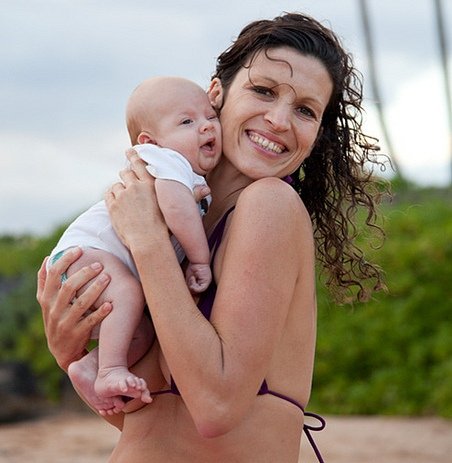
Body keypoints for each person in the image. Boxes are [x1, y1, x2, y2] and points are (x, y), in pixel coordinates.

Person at [37, 12, 387, 463]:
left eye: (305, 110)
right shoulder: (181, 231)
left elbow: (215, 408)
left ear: (316, 135)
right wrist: (71, 357)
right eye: (263, 90)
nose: (279, 120)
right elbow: (150, 421)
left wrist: (147, 242)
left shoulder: (270, 205)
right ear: (216, 93)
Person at [46, 76, 222, 415]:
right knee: (128, 294)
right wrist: (200, 260)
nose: (205, 126)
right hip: (88, 253)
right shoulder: (166, 160)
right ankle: (111, 370)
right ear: (150, 141)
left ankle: (91, 367)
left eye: (211, 116)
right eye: (187, 122)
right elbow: (176, 207)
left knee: (138, 332)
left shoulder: (184, 170)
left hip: (91, 265)